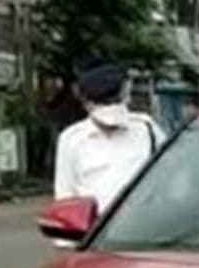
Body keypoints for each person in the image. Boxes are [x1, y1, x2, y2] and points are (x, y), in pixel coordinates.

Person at [54, 63, 165, 212]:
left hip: (146, 226)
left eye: (116, 100)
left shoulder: (146, 128)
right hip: (99, 230)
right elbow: (65, 197)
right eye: (105, 102)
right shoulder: (71, 139)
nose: (111, 108)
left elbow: (171, 174)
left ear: (126, 97)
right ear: (86, 104)